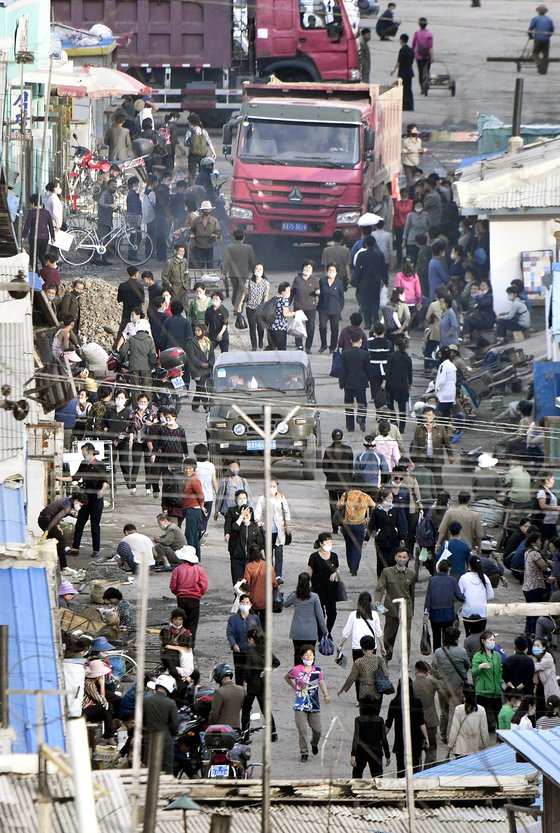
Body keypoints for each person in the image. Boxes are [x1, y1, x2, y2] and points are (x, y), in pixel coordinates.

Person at [285, 645, 330, 762]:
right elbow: (287, 677)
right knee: (302, 730)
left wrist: (326, 694)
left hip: (314, 704)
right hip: (300, 704)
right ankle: (304, 752)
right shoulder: (296, 669)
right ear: (301, 657)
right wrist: (295, 687)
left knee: (318, 730)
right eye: (306, 655)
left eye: (310, 654)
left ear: (314, 656)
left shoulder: (317, 670)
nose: (308, 657)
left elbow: (321, 682)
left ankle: (314, 743)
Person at [374, 547, 416, 661]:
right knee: (388, 636)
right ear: (395, 557)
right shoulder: (387, 572)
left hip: (406, 611)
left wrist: (411, 611)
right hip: (391, 611)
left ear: (407, 559)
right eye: (399, 557)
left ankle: (405, 661)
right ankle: (386, 658)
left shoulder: (412, 574)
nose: (401, 559)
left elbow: (412, 594)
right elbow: (380, 588)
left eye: (404, 557)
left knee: (406, 638)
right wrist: (377, 602)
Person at [432, 626, 470, 744]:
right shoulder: (462, 652)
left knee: (444, 712)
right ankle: (454, 735)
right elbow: (467, 665)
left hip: (442, 687)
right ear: (456, 639)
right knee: (456, 711)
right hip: (457, 686)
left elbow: (433, 667)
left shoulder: (438, 652)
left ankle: (443, 735)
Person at [70, 443, 109, 558]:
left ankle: (96, 549)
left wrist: (102, 490)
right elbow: (76, 477)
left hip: (96, 498)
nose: (83, 455)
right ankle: (75, 548)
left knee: (94, 524)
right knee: (80, 523)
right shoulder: (84, 464)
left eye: (84, 453)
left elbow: (105, 480)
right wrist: (61, 478)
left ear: (90, 452)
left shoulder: (99, 464)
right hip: (85, 498)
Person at [386, 678, 429, 775]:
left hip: (400, 739)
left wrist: (381, 737)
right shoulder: (417, 702)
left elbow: (388, 724)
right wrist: (426, 737)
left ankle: (401, 784)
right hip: (415, 739)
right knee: (415, 766)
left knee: (400, 767)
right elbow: (421, 722)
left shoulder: (394, 703)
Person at [242, 628, 279, 738]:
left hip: (252, 683)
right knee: (265, 709)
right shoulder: (266, 650)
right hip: (263, 683)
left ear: (252, 639)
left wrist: (244, 682)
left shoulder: (250, 652)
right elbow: (276, 662)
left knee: (246, 710)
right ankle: (273, 732)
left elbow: (247, 670)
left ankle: (245, 732)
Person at [284, 573, 327, 665]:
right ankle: (309, 676)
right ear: (309, 583)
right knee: (310, 657)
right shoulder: (314, 597)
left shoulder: (294, 596)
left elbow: (285, 604)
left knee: (297, 656)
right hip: (310, 633)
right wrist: (325, 631)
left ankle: (298, 676)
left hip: (297, 631)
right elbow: (320, 615)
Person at [169, 546, 209, 645]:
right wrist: (199, 594)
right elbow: (204, 585)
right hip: (194, 599)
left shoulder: (178, 570)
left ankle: (182, 643)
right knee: (193, 624)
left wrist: (178, 593)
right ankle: (190, 646)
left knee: (182, 623)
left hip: (181, 599)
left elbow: (173, 586)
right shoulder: (199, 570)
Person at [254, 480, 291, 583]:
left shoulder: (281, 498)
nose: (272, 488)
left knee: (279, 553)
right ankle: (270, 574)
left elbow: (286, 512)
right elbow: (257, 512)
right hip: (267, 531)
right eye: (270, 486)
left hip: (279, 530)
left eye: (274, 486)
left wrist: (288, 525)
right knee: (268, 554)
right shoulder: (262, 499)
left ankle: (278, 575)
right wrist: (258, 521)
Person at [338, 634, 390, 707]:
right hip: (378, 694)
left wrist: (342, 689)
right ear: (373, 647)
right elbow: (386, 674)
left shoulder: (359, 662)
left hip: (364, 694)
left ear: (362, 647)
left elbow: (351, 678)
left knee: (364, 716)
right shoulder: (380, 660)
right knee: (376, 716)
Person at [424, 559, 465, 650]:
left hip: (435, 614)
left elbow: (428, 598)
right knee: (448, 637)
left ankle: (437, 656)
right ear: (448, 569)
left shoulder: (432, 580)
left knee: (436, 637)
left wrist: (426, 613)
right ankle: (447, 655)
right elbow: (459, 597)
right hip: (448, 614)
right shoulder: (452, 580)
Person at [337, 478, 375, 575]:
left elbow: (338, 506)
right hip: (359, 525)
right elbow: (374, 506)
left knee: (349, 546)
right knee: (357, 547)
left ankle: (350, 566)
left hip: (346, 525)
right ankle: (355, 568)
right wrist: (369, 516)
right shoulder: (366, 496)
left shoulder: (346, 495)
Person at [39, 494, 86, 569]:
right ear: (77, 500)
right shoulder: (68, 507)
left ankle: (50, 563)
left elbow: (56, 515)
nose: (80, 507)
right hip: (46, 521)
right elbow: (56, 518)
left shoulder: (67, 501)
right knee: (61, 541)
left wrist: (57, 526)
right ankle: (64, 567)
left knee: (52, 542)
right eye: (80, 504)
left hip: (44, 519)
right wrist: (47, 530)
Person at [367, 487, 406, 577]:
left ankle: (391, 579)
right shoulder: (377, 511)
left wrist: (402, 538)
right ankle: (381, 580)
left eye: (391, 498)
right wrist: (366, 539)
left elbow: (399, 524)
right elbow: (371, 525)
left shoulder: (395, 510)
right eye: (388, 498)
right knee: (381, 562)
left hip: (393, 539)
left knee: (392, 560)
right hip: (381, 540)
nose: (390, 500)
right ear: (383, 498)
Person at [307, 533, 340, 639]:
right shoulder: (314, 557)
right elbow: (309, 572)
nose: (329, 544)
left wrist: (336, 573)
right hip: (318, 590)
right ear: (321, 543)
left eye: (330, 542)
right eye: (326, 542)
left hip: (331, 589)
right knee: (320, 614)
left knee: (332, 613)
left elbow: (337, 568)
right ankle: (321, 633)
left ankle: (328, 631)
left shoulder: (334, 556)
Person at [351, 236, 388, 329]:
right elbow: (384, 269)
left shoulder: (361, 255)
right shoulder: (379, 254)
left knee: (365, 301)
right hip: (376, 281)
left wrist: (354, 281)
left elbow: (357, 270)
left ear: (365, 244)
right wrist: (386, 281)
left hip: (364, 281)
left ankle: (367, 322)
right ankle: (375, 318)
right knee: (375, 300)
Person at [322, 429, 354, 533]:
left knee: (333, 506)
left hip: (332, 483)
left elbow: (325, 467)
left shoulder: (328, 450)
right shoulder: (348, 449)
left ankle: (335, 528)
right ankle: (343, 526)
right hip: (345, 483)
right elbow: (350, 467)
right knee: (344, 505)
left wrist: (331, 475)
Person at [225, 499, 264, 584]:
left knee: (251, 583)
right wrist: (241, 517)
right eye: (244, 515)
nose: (246, 517)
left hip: (251, 560)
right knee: (238, 582)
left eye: (247, 514)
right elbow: (233, 529)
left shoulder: (255, 527)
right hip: (237, 559)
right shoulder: (237, 525)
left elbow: (261, 544)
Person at [226, 593, 262, 685]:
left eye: (247, 603)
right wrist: (234, 644)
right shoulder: (233, 619)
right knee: (239, 673)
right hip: (239, 651)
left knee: (251, 673)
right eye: (242, 602)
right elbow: (230, 633)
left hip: (251, 651)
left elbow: (259, 633)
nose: (244, 605)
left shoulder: (255, 618)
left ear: (250, 605)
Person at [471, 630, 503, 732]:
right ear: (483, 641)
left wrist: (501, 683)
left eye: (493, 640)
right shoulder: (478, 656)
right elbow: (474, 672)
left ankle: (500, 736)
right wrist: (480, 667)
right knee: (481, 717)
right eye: (490, 640)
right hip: (483, 692)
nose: (492, 642)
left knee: (499, 716)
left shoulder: (497, 655)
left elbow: (499, 671)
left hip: (496, 691)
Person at [120, 319, 157, 405]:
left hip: (134, 367)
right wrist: (155, 366)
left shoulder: (131, 339)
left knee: (135, 390)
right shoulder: (149, 340)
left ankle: (136, 409)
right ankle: (148, 409)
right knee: (147, 389)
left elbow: (123, 352)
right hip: (146, 368)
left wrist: (122, 360)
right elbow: (152, 356)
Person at [522, 530, 552, 635]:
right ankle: (534, 632)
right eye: (539, 540)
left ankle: (528, 631)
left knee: (530, 611)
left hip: (527, 586)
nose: (541, 542)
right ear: (533, 543)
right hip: (535, 586)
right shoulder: (535, 554)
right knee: (536, 611)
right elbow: (544, 567)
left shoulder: (527, 552)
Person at [447, 684, 489, 758]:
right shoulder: (481, 709)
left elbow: (454, 729)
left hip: (460, 749)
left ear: (463, 695)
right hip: (475, 749)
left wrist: (450, 744)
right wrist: (486, 745)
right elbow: (484, 731)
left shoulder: (458, 709)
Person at [339, 333, 369, 433]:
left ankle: (350, 426)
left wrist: (341, 383)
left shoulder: (345, 353)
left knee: (349, 405)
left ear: (351, 341)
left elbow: (342, 370)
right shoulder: (365, 354)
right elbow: (367, 369)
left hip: (348, 382)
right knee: (362, 403)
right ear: (360, 341)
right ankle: (361, 417)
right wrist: (367, 379)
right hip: (361, 382)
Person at [82, 660, 116, 747]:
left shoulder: (92, 684)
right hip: (83, 712)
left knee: (107, 709)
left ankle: (109, 735)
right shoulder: (89, 684)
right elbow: (102, 701)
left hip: (89, 710)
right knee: (107, 706)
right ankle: (109, 736)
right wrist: (102, 685)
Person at [237, 263, 270, 350]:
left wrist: (265, 308)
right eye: (256, 269)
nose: (258, 271)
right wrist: (240, 304)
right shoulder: (249, 282)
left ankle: (260, 341)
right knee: (252, 327)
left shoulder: (266, 283)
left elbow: (266, 296)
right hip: (250, 307)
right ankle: (254, 346)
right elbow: (244, 293)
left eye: (260, 269)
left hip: (260, 308)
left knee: (260, 327)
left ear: (263, 272)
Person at [243, 545, 277, 628]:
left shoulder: (249, 566)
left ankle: (255, 637)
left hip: (253, 599)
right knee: (264, 623)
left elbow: (246, 584)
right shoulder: (268, 565)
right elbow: (274, 582)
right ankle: (264, 638)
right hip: (266, 599)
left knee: (253, 623)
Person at [459, 555, 494, 635]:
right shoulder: (484, 577)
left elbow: (460, 596)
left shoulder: (464, 578)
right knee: (480, 636)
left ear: (469, 565)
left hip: (468, 612)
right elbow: (491, 596)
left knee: (469, 635)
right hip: (482, 613)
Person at [385, 337, 412, 433]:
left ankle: (393, 420)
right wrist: (410, 384)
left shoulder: (391, 356)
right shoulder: (407, 358)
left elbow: (388, 372)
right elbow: (410, 373)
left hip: (392, 384)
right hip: (403, 385)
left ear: (396, 346)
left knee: (389, 404)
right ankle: (402, 427)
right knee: (402, 407)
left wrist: (385, 382)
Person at [185, 322, 215, 412]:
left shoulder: (208, 341)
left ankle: (195, 405)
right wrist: (201, 364)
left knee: (200, 388)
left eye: (199, 330)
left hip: (207, 368)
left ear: (204, 331)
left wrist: (210, 363)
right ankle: (207, 406)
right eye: (195, 330)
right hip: (197, 369)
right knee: (201, 387)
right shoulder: (191, 342)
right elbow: (191, 356)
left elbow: (212, 354)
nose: (196, 332)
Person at [224, 230, 256, 309]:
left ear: (234, 238)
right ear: (244, 238)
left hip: (233, 274)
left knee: (235, 290)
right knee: (241, 291)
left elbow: (227, 260)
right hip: (244, 274)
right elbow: (252, 261)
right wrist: (254, 272)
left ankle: (236, 305)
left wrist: (224, 271)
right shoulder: (249, 248)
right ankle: (237, 308)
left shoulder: (229, 247)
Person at [208, 663, 245, 731]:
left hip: (221, 730)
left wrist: (209, 725)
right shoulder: (241, 689)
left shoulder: (219, 692)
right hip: (236, 728)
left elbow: (214, 714)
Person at [318, 263, 344, 354]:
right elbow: (319, 293)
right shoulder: (322, 281)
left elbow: (341, 297)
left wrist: (340, 309)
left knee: (334, 329)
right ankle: (323, 344)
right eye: (329, 270)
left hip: (335, 309)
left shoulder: (339, 283)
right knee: (322, 327)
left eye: (333, 270)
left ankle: (333, 347)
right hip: (323, 308)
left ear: (336, 272)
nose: (331, 272)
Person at [22, 193, 55, 267]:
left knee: (33, 256)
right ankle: (46, 269)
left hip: (34, 237)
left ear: (33, 203)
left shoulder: (31, 213)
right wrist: (53, 236)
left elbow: (27, 226)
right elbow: (51, 225)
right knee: (42, 254)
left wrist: (23, 237)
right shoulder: (47, 213)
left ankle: (36, 272)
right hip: (44, 237)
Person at [182, 458, 206, 557]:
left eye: (190, 468)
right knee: (194, 536)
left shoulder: (194, 480)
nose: (187, 470)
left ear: (194, 469)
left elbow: (201, 496)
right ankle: (196, 557)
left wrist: (202, 507)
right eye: (186, 468)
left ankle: (190, 557)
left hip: (193, 510)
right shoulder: (190, 479)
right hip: (191, 509)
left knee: (190, 535)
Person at [184, 113, 216, 184]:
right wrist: (213, 152)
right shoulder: (203, 131)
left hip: (193, 155)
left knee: (191, 174)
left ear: (191, 122)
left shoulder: (190, 131)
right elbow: (209, 142)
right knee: (202, 174)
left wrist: (192, 144)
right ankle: (201, 187)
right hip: (203, 156)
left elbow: (185, 143)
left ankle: (191, 188)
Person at [116, 266, 146, 341]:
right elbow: (142, 300)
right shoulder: (140, 286)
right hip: (137, 313)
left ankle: (117, 348)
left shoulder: (122, 286)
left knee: (123, 331)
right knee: (138, 331)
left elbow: (119, 299)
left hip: (126, 312)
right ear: (135, 274)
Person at [189, 201, 221, 268]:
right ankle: (200, 277)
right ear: (202, 210)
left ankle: (210, 277)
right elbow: (192, 229)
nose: (206, 211)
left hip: (210, 246)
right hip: (198, 246)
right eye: (205, 209)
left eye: (208, 209)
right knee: (200, 264)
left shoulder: (214, 221)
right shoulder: (196, 220)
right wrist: (192, 234)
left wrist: (215, 235)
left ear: (211, 210)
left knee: (210, 265)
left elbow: (218, 232)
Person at [532, 638, 560, 713]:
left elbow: (535, 667)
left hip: (551, 691)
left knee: (552, 713)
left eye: (538, 646)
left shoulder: (548, 657)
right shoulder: (538, 658)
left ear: (544, 647)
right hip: (541, 690)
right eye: (534, 645)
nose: (535, 647)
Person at [267, 281, 296, 351]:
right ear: (283, 292)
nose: (290, 292)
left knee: (272, 348)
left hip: (271, 327)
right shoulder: (284, 300)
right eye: (288, 291)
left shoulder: (273, 298)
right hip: (280, 328)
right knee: (282, 349)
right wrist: (295, 313)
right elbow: (285, 314)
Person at [533, 471, 560, 542]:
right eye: (552, 479)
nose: (554, 481)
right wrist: (556, 508)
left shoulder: (550, 493)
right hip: (545, 522)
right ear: (547, 480)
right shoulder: (542, 492)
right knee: (543, 540)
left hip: (551, 522)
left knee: (555, 541)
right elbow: (542, 506)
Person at [528, 5, 555, 74]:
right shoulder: (549, 19)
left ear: (538, 11)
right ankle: (544, 71)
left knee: (535, 54)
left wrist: (530, 36)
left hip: (538, 39)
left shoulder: (535, 19)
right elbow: (552, 29)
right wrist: (548, 36)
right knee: (546, 56)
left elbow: (530, 29)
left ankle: (539, 64)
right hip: (546, 39)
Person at [161, 243, 189, 308]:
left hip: (183, 287)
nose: (182, 253)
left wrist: (186, 283)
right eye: (180, 251)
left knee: (186, 306)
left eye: (183, 251)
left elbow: (186, 273)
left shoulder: (185, 261)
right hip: (174, 288)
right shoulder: (170, 262)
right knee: (173, 305)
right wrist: (170, 285)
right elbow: (164, 276)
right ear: (175, 251)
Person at [391, 34, 414, 111]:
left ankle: (404, 106)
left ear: (401, 40)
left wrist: (393, 70)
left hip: (403, 72)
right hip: (409, 71)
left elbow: (399, 62)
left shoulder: (402, 50)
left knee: (403, 90)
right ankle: (410, 106)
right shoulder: (411, 50)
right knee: (409, 90)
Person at [412, 17, 433, 93]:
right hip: (427, 56)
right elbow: (430, 47)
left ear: (419, 24)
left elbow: (413, 45)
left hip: (419, 56)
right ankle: (427, 84)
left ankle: (422, 88)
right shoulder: (429, 34)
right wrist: (432, 57)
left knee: (420, 72)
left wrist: (412, 54)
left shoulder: (416, 34)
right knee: (427, 71)